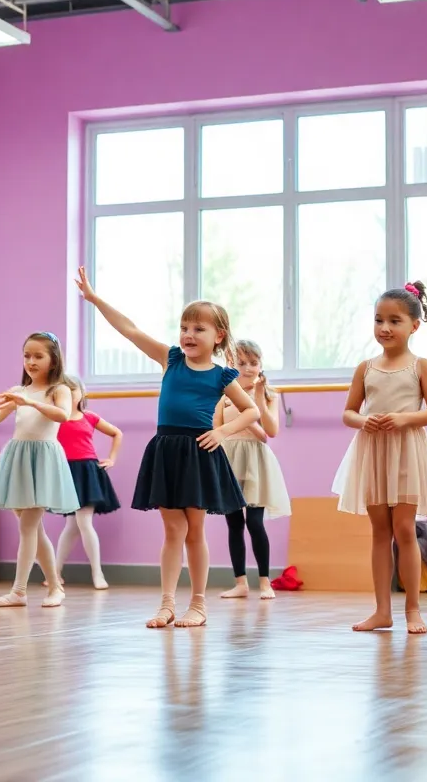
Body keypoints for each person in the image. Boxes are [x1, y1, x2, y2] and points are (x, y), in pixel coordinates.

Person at [75, 266, 258, 628]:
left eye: (198, 329)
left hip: (199, 453)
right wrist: (96, 301)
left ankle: (199, 604)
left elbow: (251, 412)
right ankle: (167, 603)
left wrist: (221, 433)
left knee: (195, 530)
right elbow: (130, 330)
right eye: (184, 328)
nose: (188, 335)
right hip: (167, 451)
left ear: (218, 336)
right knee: (173, 530)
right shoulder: (171, 358)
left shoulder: (222, 376)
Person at [332, 282, 427, 634]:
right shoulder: (366, 367)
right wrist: (365, 421)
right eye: (379, 320)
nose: (384, 328)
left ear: (414, 325)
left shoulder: (421, 366)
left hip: (407, 450)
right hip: (374, 450)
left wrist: (404, 419)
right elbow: (349, 412)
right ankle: (382, 610)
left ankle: (413, 609)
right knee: (380, 532)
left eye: (394, 321)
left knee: (405, 529)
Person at [0, 332, 79, 609]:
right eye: (27, 355)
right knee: (34, 531)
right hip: (19, 459)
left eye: (38, 356)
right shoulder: (19, 391)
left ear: (53, 359)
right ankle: (56, 586)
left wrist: (31, 402)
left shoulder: (58, 389)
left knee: (28, 527)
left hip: (44, 460)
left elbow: (63, 415)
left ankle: (19, 591)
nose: (31, 361)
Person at [217, 339, 290, 601]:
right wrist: (242, 420)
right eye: (241, 362)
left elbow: (269, 432)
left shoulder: (270, 394)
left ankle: (265, 581)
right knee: (233, 522)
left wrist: (256, 399)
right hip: (228, 457)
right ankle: (240, 583)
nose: (248, 368)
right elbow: (216, 426)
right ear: (231, 364)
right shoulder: (223, 393)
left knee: (255, 522)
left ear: (260, 365)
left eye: (253, 363)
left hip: (255, 460)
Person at [55, 374, 122, 590]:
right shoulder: (57, 419)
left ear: (81, 394)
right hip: (67, 472)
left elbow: (116, 433)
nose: (66, 395)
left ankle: (97, 573)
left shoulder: (89, 417)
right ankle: (55, 573)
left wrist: (112, 458)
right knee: (71, 525)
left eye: (71, 390)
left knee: (83, 522)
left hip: (87, 471)